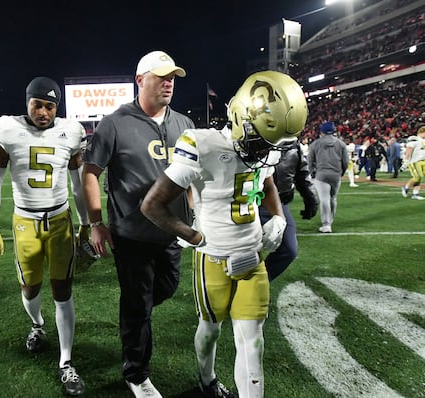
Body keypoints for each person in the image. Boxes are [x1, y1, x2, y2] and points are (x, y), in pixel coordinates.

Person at [140, 70, 308, 398]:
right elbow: (152, 205)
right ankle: (207, 381)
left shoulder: (264, 152)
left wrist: (278, 219)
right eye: (261, 140)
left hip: (253, 257)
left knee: (253, 341)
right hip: (212, 260)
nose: (265, 152)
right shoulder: (201, 144)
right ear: (240, 118)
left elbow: (268, 182)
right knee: (211, 329)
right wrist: (193, 236)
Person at [82, 50, 194, 398]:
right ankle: (136, 373)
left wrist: (193, 216)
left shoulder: (185, 125)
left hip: (172, 232)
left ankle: (135, 315)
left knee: (164, 289)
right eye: (161, 76)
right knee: (138, 302)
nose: (168, 82)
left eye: (172, 77)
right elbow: (90, 174)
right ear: (139, 79)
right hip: (132, 235)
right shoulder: (114, 123)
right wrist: (96, 223)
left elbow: (190, 178)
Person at [0, 76, 89, 396]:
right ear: (26, 102)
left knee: (63, 291)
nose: (43, 111)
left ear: (58, 107)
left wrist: (85, 221)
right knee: (30, 289)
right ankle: (38, 326)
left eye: (50, 105)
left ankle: (66, 362)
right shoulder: (7, 129)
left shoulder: (71, 131)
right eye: (37, 104)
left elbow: (78, 182)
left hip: (59, 221)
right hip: (25, 222)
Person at [259, 139, 318, 281]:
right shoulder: (252, 139)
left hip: (280, 203)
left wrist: (311, 201)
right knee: (246, 252)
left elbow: (302, 174)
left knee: (289, 250)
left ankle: (260, 284)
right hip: (251, 201)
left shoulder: (293, 145)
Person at [308, 121, 348, 233]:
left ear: (322, 132)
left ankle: (326, 224)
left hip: (321, 174)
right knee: (333, 198)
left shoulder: (315, 144)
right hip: (336, 174)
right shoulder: (341, 144)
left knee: (324, 199)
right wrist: (341, 173)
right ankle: (330, 219)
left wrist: (312, 173)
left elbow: (310, 161)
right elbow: (345, 162)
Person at [401, 125, 425, 200]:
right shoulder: (414, 139)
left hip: (423, 161)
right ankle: (406, 187)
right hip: (415, 161)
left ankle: (415, 194)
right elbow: (409, 149)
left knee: (421, 178)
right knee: (417, 177)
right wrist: (406, 161)